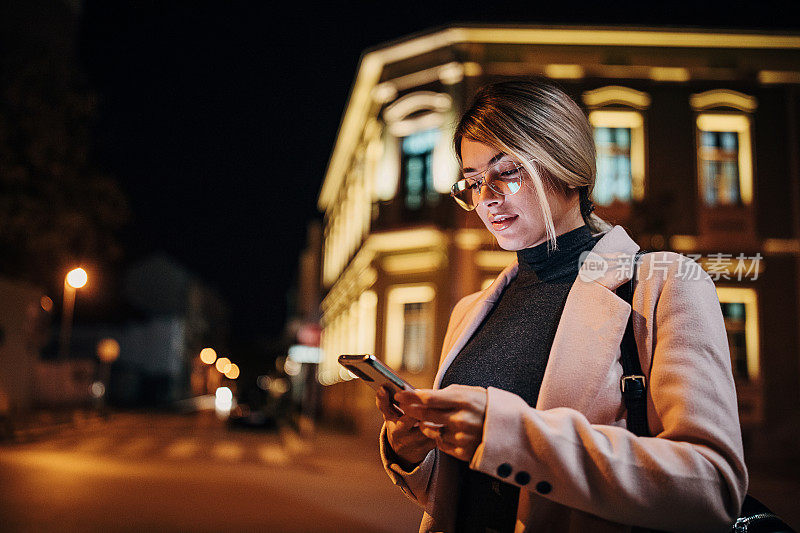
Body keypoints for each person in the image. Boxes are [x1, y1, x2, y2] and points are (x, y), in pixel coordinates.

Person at [374, 78, 748, 532]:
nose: (487, 198)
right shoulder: (472, 309)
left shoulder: (663, 283)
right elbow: (462, 493)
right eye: (473, 182)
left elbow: (711, 485)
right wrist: (411, 452)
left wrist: (507, 434)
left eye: (506, 171)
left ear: (566, 165)